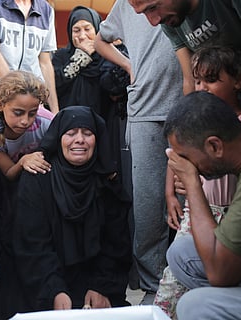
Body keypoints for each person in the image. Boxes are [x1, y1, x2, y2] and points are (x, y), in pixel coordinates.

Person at [155, 45, 241, 319]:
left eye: (189, 159)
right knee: (181, 252)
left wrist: (192, 183)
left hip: (230, 271)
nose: (189, 167)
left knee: (196, 305)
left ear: (215, 146)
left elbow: (221, 274)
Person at [94, 0, 183, 296]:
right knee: (147, 204)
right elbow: (100, 40)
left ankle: (189, 279)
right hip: (144, 107)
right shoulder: (125, 5)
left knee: (188, 198)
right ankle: (151, 285)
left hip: (187, 103)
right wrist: (130, 65)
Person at [9, 106, 131, 317]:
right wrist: (54, 290)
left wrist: (101, 287)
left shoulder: (106, 181)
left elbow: (117, 243)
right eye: (71, 133)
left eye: (88, 133)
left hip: (93, 283)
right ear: (58, 138)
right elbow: (32, 244)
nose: (80, 140)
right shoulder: (38, 177)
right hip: (44, 281)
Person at [0, 70, 52, 319]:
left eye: (32, 113)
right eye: (18, 113)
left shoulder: (46, 123)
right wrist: (24, 161)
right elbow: (8, 172)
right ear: (0, 104)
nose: (26, 121)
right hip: (9, 181)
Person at [127, 0, 241, 101]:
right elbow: (190, 80)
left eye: (152, 8)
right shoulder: (171, 20)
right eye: (144, 13)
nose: (153, 21)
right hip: (237, 103)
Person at [0, 0, 59, 115]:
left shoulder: (46, 9)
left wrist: (55, 111)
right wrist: (20, 95)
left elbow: (45, 63)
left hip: (34, 104)